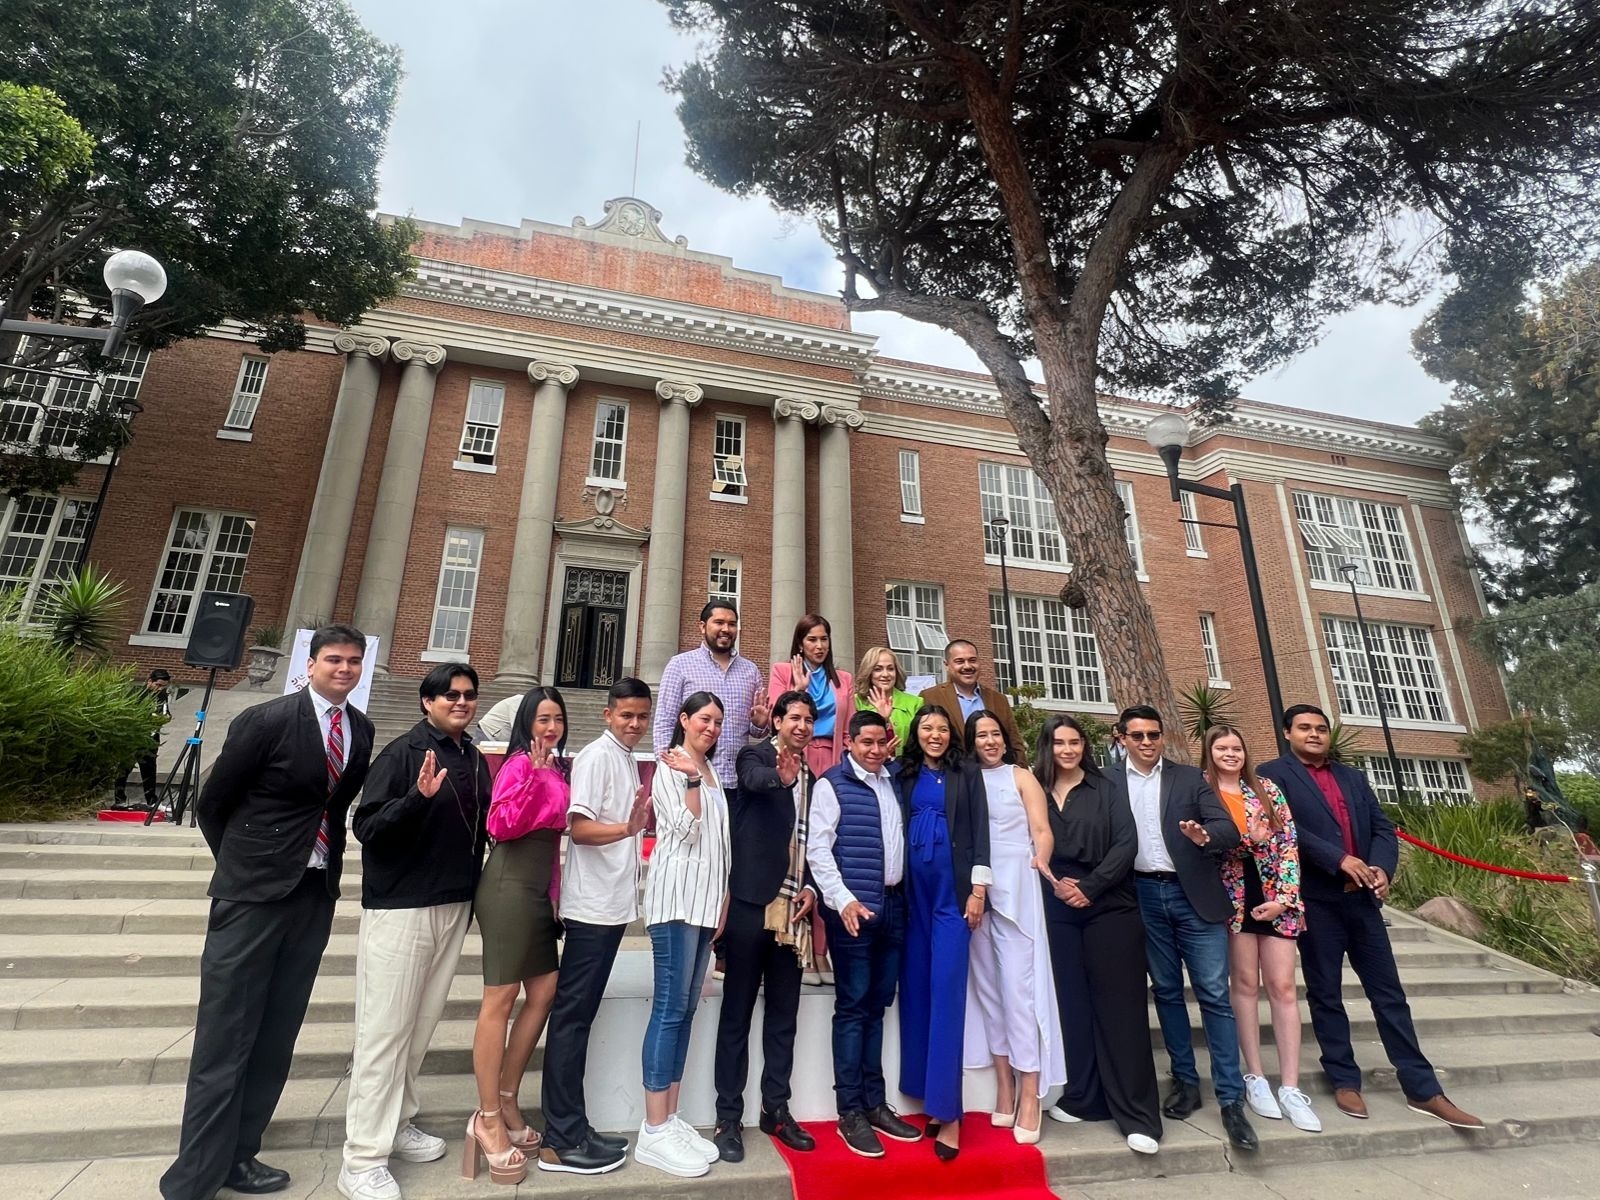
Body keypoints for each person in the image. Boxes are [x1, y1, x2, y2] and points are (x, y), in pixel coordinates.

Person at [159, 625, 374, 1200]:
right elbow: (214, 802)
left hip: (312, 895)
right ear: (310, 663)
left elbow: (334, 808)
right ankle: (193, 1178)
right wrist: (246, 865)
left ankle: (241, 1156)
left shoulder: (361, 728)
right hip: (252, 895)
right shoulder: (268, 720)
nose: (345, 669)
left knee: (277, 1032)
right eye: (334, 659)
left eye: (354, 661)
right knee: (225, 1034)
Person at [1259, 705, 1485, 1130]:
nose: (1314, 734)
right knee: (1326, 995)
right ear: (1287, 732)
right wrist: (1339, 858)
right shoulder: (1272, 775)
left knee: (1390, 996)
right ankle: (1344, 1079)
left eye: (1321, 728)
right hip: (1317, 901)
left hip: (1362, 902)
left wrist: (1382, 867)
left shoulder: (1353, 776)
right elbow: (1284, 830)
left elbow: (1383, 827)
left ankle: (1423, 1088)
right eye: (1305, 728)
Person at [340, 664, 493, 1200]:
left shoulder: (472, 758)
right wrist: (418, 799)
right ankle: (361, 1157)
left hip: (453, 904)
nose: (461, 702)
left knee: (420, 1027)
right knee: (384, 1033)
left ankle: (398, 1121)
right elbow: (367, 829)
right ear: (427, 701)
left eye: (469, 695)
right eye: (450, 695)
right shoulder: (403, 753)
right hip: (403, 907)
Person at [1112, 705, 1255, 1151]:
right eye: (1138, 736)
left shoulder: (1189, 779)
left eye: (1154, 735)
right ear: (1122, 738)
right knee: (1168, 993)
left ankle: (1232, 1098)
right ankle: (1186, 1082)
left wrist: (1205, 837)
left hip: (1193, 897)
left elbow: (1229, 831)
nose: (1148, 742)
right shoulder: (1108, 782)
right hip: (1142, 897)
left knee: (1214, 995)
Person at [537, 678, 653, 1175]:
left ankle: (574, 1125)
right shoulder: (596, 757)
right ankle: (560, 1139)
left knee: (580, 1017)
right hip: (590, 910)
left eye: (641, 716)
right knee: (571, 1018)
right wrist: (629, 829)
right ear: (607, 714)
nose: (634, 724)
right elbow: (578, 828)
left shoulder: (625, 759)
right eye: (626, 715)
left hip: (611, 906)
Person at [1035, 714, 1162, 1156]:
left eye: (1074, 742)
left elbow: (1127, 844)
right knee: (1073, 1006)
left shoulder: (1107, 786)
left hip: (1109, 904)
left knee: (1121, 1009)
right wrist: (1059, 887)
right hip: (1055, 905)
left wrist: (1089, 888)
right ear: (1046, 747)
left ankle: (1139, 1115)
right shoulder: (1035, 788)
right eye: (1059, 743)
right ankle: (1085, 1098)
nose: (1067, 750)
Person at [711, 690, 821, 1162]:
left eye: (809, 719)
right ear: (776, 720)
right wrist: (781, 777)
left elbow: (818, 838)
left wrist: (812, 888)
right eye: (793, 716)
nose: (801, 725)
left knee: (783, 1018)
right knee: (735, 1015)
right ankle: (728, 1117)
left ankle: (776, 1108)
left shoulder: (814, 778)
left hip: (791, 912)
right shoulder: (754, 755)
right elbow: (754, 782)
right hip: (752, 905)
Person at [467, 687, 570, 1185]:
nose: (550, 728)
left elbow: (553, 843)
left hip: (535, 891)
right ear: (526, 723)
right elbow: (500, 825)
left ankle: (508, 1096)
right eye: (542, 719)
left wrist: (554, 897)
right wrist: (528, 775)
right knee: (501, 996)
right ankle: (487, 1118)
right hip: (506, 885)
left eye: (557, 719)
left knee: (544, 991)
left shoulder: (557, 767)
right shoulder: (516, 766)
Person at [806, 710, 921, 1158]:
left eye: (881, 742)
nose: (874, 750)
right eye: (866, 742)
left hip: (894, 906)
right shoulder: (832, 785)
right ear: (849, 743)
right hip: (854, 911)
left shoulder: (893, 781)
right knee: (853, 1009)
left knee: (876, 1008)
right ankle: (849, 1110)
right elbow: (818, 849)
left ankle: (875, 1103)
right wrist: (842, 899)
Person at [1201, 724, 1319, 1134]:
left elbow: (1288, 842)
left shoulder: (1266, 788)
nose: (1231, 753)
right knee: (1245, 985)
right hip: (1234, 899)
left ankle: (1290, 1086)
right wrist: (1249, 840)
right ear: (1210, 752)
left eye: (1236, 746)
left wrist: (1285, 898)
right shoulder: (1204, 791)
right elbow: (1214, 849)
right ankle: (1254, 1076)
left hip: (1276, 899)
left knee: (1283, 988)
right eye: (1222, 747)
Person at [636, 692, 733, 1178]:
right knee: (670, 1010)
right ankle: (652, 1130)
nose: (711, 728)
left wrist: (722, 901)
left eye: (718, 721)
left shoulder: (711, 773)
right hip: (674, 905)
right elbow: (683, 830)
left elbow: (721, 846)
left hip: (703, 906)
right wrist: (692, 777)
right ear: (683, 720)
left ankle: (669, 1118)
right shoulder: (672, 767)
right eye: (703, 719)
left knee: (687, 1012)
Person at [962, 710, 1065, 1145]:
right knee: (988, 993)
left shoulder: (1020, 777)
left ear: (1005, 739)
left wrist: (1041, 856)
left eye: (995, 734)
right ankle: (1003, 1086)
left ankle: (1029, 1092)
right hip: (974, 890)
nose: (989, 741)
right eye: (980, 735)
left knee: (1020, 993)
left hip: (1017, 888)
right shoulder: (963, 779)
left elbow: (1042, 830)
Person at [896, 705, 992, 1161]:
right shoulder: (903, 772)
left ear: (951, 734)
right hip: (911, 899)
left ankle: (950, 1114)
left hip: (952, 897)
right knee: (916, 994)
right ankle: (925, 1097)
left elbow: (979, 832)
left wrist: (978, 889)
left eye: (940, 728)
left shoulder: (966, 773)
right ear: (916, 734)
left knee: (947, 997)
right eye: (926, 728)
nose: (934, 735)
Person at [654, 600, 773, 802]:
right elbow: (664, 722)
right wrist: (667, 771)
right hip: (693, 781)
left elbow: (755, 731)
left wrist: (760, 723)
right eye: (719, 622)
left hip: (738, 782)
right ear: (702, 626)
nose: (726, 629)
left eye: (732, 624)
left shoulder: (750, 671)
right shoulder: (680, 665)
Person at [768, 613, 854, 776]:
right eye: (812, 640)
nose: (820, 646)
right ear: (800, 644)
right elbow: (774, 718)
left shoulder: (845, 679)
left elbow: (849, 728)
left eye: (824, 639)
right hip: (794, 751)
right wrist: (798, 691)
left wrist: (847, 756)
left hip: (834, 755)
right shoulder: (782, 671)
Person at [918, 639, 1023, 759]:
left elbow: (1015, 743)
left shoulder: (999, 700)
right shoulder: (930, 697)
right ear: (947, 665)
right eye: (960, 661)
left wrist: (1020, 773)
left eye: (972, 660)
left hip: (993, 773)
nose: (967, 666)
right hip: (951, 772)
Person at [116, 668, 177, 808]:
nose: (159, 689)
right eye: (158, 685)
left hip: (151, 738)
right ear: (150, 681)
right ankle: (119, 798)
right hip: (134, 737)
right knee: (124, 768)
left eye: (163, 686)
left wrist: (165, 717)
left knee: (149, 769)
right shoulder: (137, 694)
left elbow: (166, 711)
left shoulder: (162, 696)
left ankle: (152, 800)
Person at [853, 645, 923, 753]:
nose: (885, 674)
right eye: (878, 669)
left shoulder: (915, 703)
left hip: (906, 766)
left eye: (890, 669)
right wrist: (882, 719)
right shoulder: (856, 702)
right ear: (869, 672)